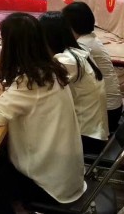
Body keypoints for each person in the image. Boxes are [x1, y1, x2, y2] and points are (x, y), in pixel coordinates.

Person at [0, 13, 86, 211]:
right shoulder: (50, 71)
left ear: (12, 46)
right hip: (66, 176)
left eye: (2, 40)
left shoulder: (30, 81)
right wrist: (1, 95)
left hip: (48, 185)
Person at [39, 12, 109, 153]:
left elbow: (38, 90)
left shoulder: (68, 61)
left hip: (87, 137)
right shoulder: (76, 51)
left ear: (48, 37)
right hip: (91, 131)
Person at [62, 1, 123, 132]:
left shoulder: (83, 46)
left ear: (71, 25)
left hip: (106, 113)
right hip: (113, 107)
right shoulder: (90, 39)